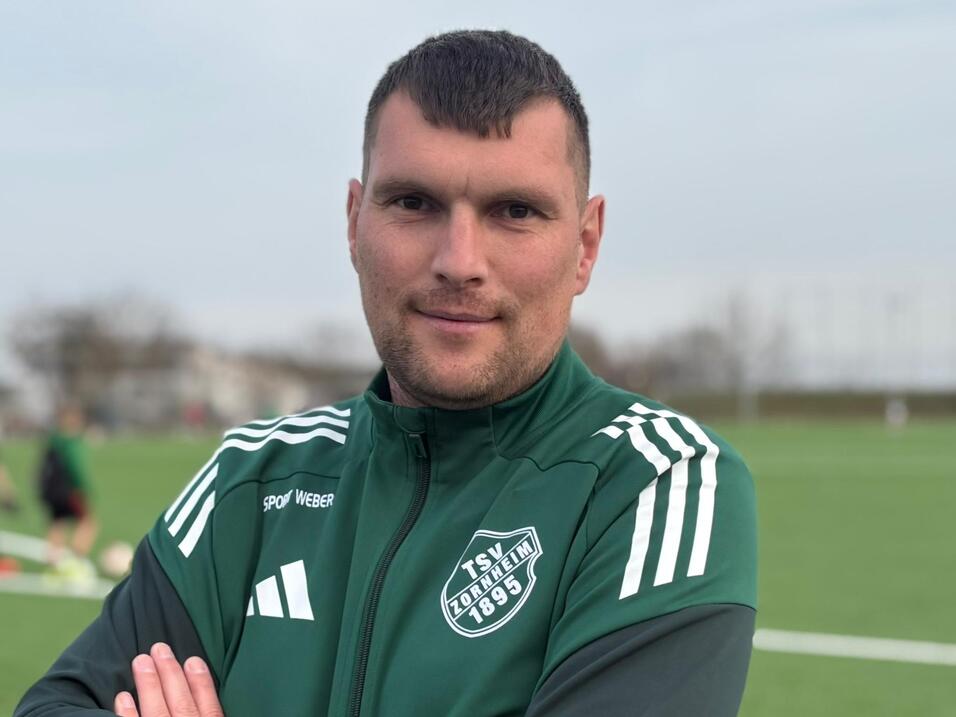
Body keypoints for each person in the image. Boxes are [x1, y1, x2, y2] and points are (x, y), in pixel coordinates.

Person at [16, 30, 757, 716]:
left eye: (515, 211)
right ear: (353, 222)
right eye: (413, 202)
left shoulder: (653, 483)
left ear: (585, 245)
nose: (460, 262)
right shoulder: (251, 481)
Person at [37, 404, 99, 580]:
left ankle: (53, 565)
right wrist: (85, 489)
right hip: (69, 491)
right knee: (88, 523)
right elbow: (76, 469)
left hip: (50, 492)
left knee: (57, 524)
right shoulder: (71, 444)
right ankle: (75, 562)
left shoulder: (53, 441)